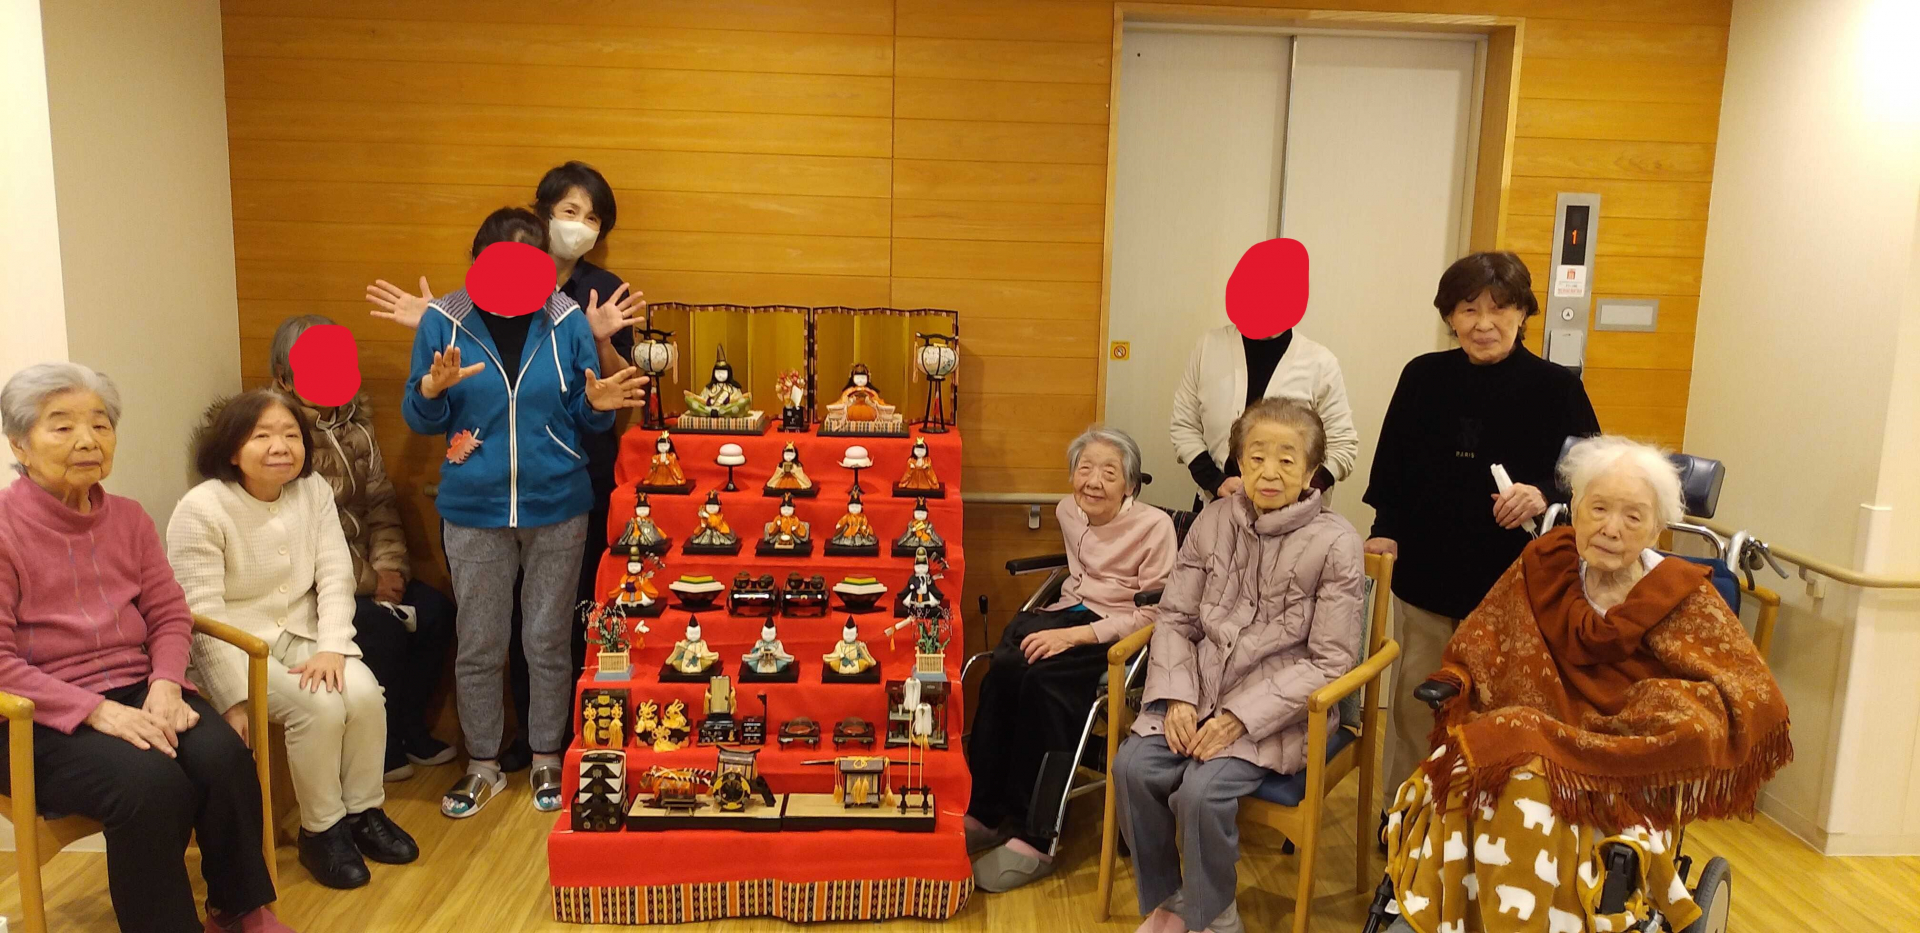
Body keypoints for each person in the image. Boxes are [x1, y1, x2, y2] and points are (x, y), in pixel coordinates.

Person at [1380, 436, 1791, 933]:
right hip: (1529, 744)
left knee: (1524, 782)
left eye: (1633, 517)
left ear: (1656, 529)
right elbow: (1481, 642)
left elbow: (1750, 691)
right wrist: (1458, 678)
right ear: (1575, 509)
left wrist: (1678, 711)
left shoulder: (1685, 597)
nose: (1611, 529)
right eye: (1598, 509)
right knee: (1473, 771)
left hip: (1621, 768)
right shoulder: (1542, 567)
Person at [367, 161, 640, 771]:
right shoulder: (444, 320)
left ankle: (547, 757)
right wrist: (432, 390)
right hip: (474, 508)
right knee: (480, 643)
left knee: (548, 641)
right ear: (478, 261)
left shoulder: (566, 318)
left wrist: (597, 406)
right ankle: (483, 762)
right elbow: (421, 417)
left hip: (558, 504)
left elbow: (583, 414)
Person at [0, 364, 291, 933]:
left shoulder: (129, 518)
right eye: (62, 426)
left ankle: (238, 909)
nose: (88, 440)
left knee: (225, 758)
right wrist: (97, 711)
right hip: (36, 717)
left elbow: (168, 613)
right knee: (150, 786)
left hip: (138, 686)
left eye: (100, 424)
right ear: (20, 444)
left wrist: (165, 682)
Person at [1114, 398, 1365, 933]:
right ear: (1239, 463)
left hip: (1280, 712)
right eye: (1256, 457)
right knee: (1132, 767)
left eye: (1287, 460)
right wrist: (1178, 697)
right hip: (1198, 690)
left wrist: (1239, 718)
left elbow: (1331, 660)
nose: (1269, 472)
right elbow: (1176, 618)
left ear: (1312, 473)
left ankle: (1216, 916)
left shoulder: (1337, 542)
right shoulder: (1213, 520)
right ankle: (1172, 902)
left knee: (1201, 793)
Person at [1363, 251, 1602, 805]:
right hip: (1425, 574)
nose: (1483, 323)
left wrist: (1543, 491)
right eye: (1468, 310)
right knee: (1415, 704)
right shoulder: (1422, 376)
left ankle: (1485, 824)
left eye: (1499, 309)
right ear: (1450, 316)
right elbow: (1392, 462)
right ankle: (1403, 818)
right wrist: (1383, 527)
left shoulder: (1556, 387)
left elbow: (1590, 471)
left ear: (1523, 314)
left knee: (1500, 709)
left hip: (1513, 584)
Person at [168, 390, 418, 890]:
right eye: (261, 436)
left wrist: (333, 646)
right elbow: (200, 617)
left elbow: (335, 573)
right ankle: (320, 831)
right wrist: (234, 699)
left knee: (365, 695)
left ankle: (363, 812)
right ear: (232, 448)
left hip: (304, 633)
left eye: (290, 435)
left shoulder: (313, 491)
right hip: (237, 649)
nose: (280, 446)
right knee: (318, 709)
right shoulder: (201, 508)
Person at [967, 426, 1176, 892]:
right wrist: (1063, 627)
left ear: (1131, 484)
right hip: (1070, 611)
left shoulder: (1155, 527)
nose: (1094, 482)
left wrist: (1077, 636)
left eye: (1109, 473)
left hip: (1119, 630)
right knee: (1002, 673)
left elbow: (1156, 612)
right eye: (1085, 468)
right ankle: (986, 811)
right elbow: (1079, 578)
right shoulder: (1068, 510)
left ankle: (1036, 836)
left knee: (1046, 689)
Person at [267, 314, 457, 783]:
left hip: (370, 566)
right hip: (316, 585)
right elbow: (301, 535)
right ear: (285, 379)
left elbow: (380, 503)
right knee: (379, 629)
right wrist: (370, 583)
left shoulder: (357, 425)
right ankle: (378, 749)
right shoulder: (280, 439)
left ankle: (409, 729)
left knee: (437, 613)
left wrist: (390, 570)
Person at [1169, 321, 1358, 500]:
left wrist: (1300, 493)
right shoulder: (1208, 347)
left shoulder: (1320, 363)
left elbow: (1342, 445)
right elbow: (1184, 425)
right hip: (1216, 503)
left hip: (1295, 517)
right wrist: (1215, 481)